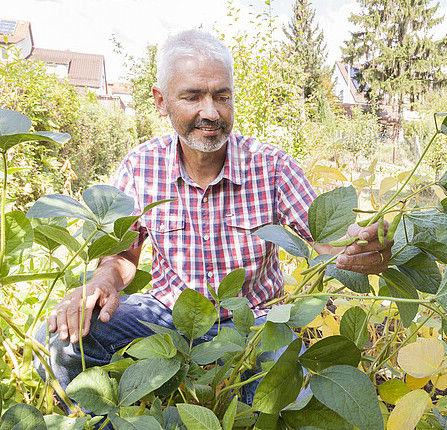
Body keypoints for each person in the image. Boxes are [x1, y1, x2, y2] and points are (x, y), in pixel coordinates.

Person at [34, 29, 392, 410]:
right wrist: (103, 280)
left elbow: (330, 241)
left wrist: (360, 246)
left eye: (222, 96)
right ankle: (113, 415)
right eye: (192, 96)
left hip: (254, 323)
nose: (211, 112)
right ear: (161, 101)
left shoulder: (271, 166)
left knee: (295, 403)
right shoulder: (141, 167)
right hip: (167, 314)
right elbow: (124, 255)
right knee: (57, 339)